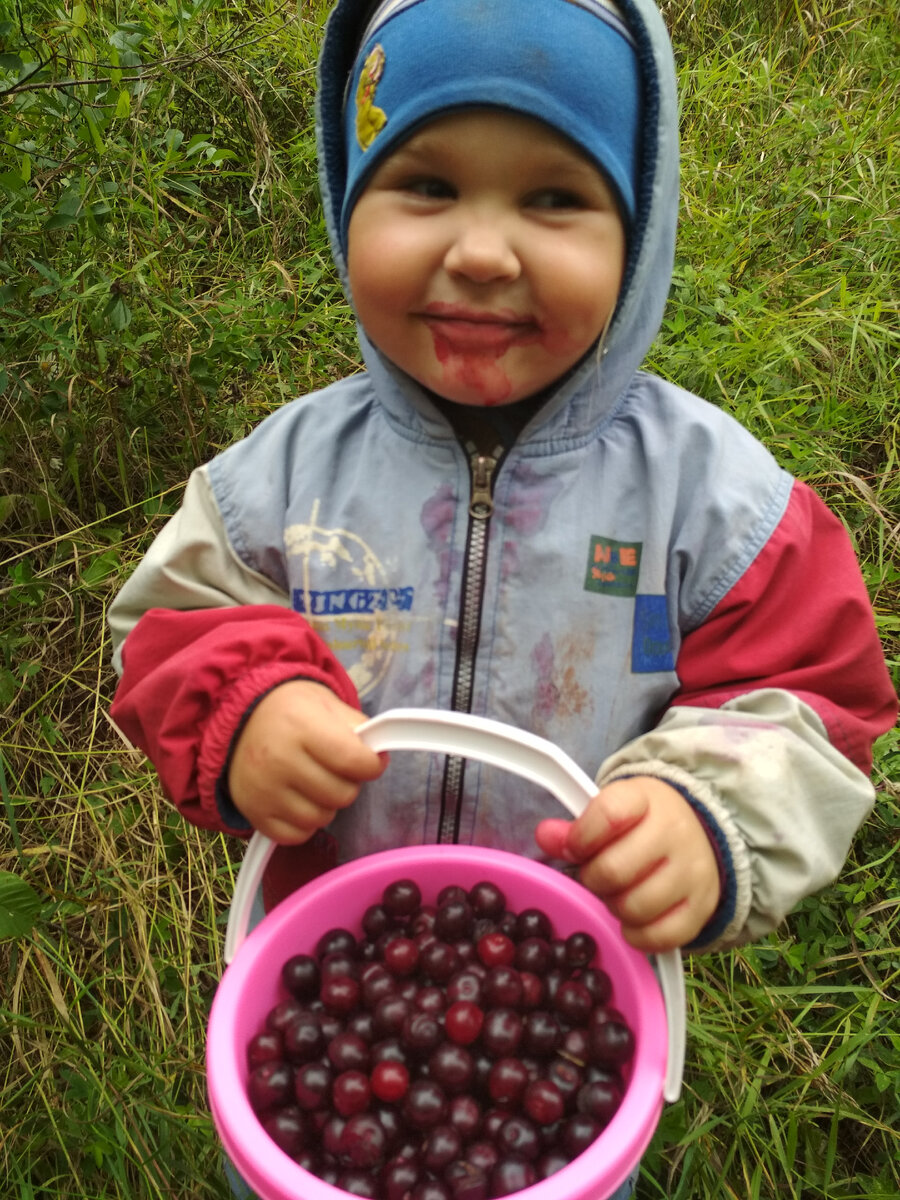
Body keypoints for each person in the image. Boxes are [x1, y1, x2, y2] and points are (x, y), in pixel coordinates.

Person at [108, 0, 897, 1195]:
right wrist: (244, 704)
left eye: (553, 199)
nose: (481, 251)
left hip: (573, 1003)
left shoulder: (714, 500)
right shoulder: (279, 479)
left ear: (644, 227)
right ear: (344, 200)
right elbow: (173, 621)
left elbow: (812, 699)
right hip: (337, 969)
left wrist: (710, 809)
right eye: (424, 184)